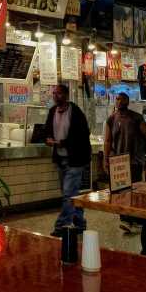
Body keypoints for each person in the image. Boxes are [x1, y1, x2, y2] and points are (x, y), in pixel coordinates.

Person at [44, 84, 91, 237]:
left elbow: (82, 135)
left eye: (58, 93)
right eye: (54, 93)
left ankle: (61, 226)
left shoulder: (75, 112)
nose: (55, 96)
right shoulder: (52, 111)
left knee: (68, 194)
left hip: (75, 160)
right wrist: (48, 138)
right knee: (72, 194)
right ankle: (80, 222)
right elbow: (47, 130)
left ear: (66, 95)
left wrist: (62, 143)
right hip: (60, 158)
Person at [104, 92, 146, 233]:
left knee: (134, 191)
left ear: (127, 102)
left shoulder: (136, 118)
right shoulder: (111, 119)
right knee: (121, 192)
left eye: (122, 99)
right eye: (117, 99)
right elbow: (107, 141)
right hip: (118, 162)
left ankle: (136, 219)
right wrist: (105, 159)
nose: (119, 101)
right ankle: (126, 220)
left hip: (134, 160)